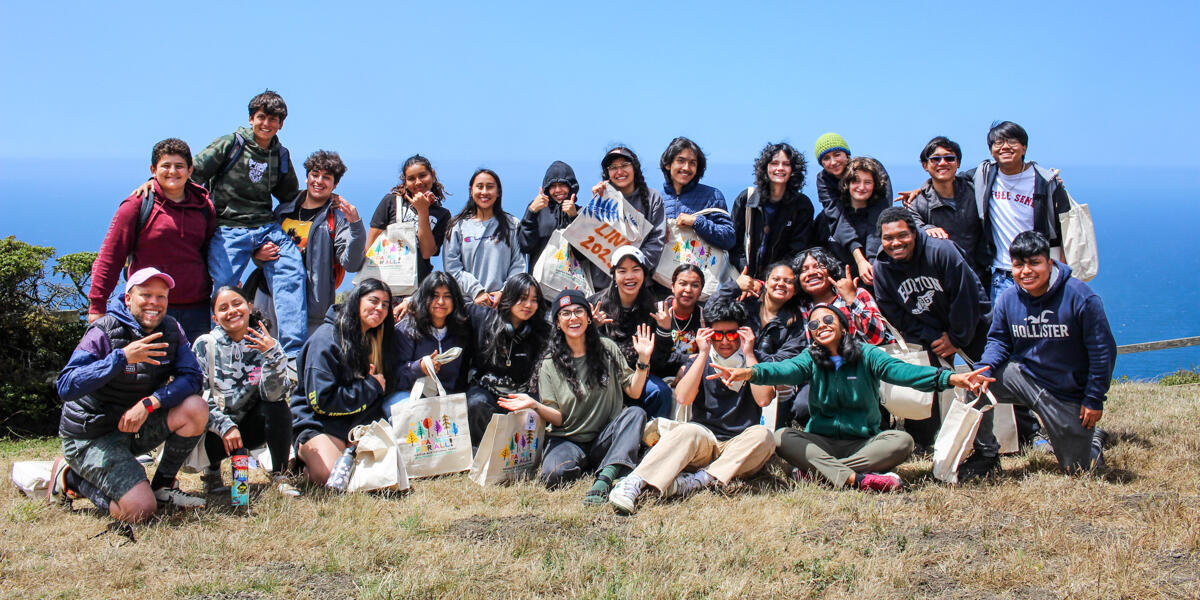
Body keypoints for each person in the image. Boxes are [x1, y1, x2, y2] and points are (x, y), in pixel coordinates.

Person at [711, 305, 993, 492]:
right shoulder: (810, 358)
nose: (820, 325)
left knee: (903, 441)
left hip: (865, 443)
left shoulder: (867, 354)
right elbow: (782, 369)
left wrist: (950, 378)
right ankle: (856, 480)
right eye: (814, 324)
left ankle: (821, 473)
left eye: (827, 319)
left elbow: (904, 372)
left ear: (843, 326)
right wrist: (748, 372)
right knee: (784, 436)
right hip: (822, 441)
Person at [48, 268, 208, 522]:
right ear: (128, 299)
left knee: (195, 407)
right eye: (146, 295)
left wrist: (151, 402)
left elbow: (192, 378)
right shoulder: (104, 330)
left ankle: (162, 487)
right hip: (91, 435)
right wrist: (121, 358)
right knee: (139, 510)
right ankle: (70, 477)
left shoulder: (170, 330)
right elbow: (66, 385)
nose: (154, 303)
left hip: (134, 424)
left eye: (161, 296)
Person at [608, 300, 776, 514]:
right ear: (708, 335)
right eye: (717, 335)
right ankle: (634, 482)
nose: (724, 341)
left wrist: (750, 354)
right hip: (705, 440)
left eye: (732, 334)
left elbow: (763, 400)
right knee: (687, 430)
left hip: (740, 445)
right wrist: (703, 353)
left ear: (743, 334)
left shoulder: (757, 361)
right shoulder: (701, 361)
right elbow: (683, 397)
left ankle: (699, 480)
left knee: (764, 437)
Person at [872, 208, 1001, 480]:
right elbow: (893, 311)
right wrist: (933, 337)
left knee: (980, 383)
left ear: (915, 233)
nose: (895, 243)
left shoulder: (943, 251)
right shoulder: (882, 267)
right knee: (925, 383)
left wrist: (955, 338)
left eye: (902, 235)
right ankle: (926, 440)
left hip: (971, 326)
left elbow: (967, 297)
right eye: (888, 238)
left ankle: (987, 451)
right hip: (928, 332)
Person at [978, 231, 1116, 474]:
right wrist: (985, 368)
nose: (1026, 271)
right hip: (1025, 378)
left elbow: (1102, 352)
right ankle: (985, 455)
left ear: (1049, 263)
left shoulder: (1081, 298)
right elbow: (999, 340)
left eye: (1034, 263)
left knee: (1081, 470)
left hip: (1065, 393)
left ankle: (1093, 441)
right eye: (1018, 265)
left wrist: (1094, 398)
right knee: (976, 385)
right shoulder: (1009, 299)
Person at [501, 290, 652, 504]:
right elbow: (558, 418)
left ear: (589, 318)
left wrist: (643, 360)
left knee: (636, 414)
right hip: (568, 439)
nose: (573, 318)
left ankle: (605, 478)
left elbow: (634, 392)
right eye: (566, 314)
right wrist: (535, 405)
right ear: (558, 322)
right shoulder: (549, 364)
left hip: (604, 437)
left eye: (579, 311)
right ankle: (604, 464)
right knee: (553, 475)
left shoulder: (607, 348)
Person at [187, 90, 307, 357]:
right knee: (223, 288)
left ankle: (292, 355)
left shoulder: (281, 154)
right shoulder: (231, 144)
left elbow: (289, 196)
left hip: (265, 227)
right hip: (228, 226)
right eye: (262, 117)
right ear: (251, 118)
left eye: (273, 119)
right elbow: (193, 173)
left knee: (292, 273)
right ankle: (218, 352)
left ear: (281, 124)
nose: (267, 124)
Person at [91, 138, 215, 342]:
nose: (173, 172)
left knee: (196, 373)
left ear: (190, 170)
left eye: (179, 166)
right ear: (153, 169)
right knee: (147, 372)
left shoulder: (203, 206)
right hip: (149, 309)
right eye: (165, 166)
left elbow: (211, 251)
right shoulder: (136, 205)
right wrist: (97, 306)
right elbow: (110, 256)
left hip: (197, 310)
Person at [290, 278, 397, 486]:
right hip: (319, 423)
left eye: (385, 305)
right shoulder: (325, 340)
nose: (379, 308)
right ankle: (300, 456)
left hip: (355, 424)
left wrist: (362, 426)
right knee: (330, 475)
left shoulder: (375, 340)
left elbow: (380, 393)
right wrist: (370, 386)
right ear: (357, 300)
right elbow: (321, 401)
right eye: (373, 301)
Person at [192, 286, 296, 496]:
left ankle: (280, 474)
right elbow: (198, 396)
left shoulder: (267, 342)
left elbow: (274, 394)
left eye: (237, 304)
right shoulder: (205, 344)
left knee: (278, 407)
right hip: (214, 430)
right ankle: (211, 472)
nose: (232, 311)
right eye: (223, 308)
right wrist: (226, 427)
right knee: (202, 411)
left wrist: (272, 355)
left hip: (250, 427)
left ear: (249, 307)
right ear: (215, 317)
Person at [255, 150, 366, 334]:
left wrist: (355, 224)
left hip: (311, 308)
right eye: (314, 175)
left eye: (327, 177)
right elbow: (259, 246)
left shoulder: (337, 219)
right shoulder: (283, 211)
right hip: (269, 297)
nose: (319, 181)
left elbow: (351, 263)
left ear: (335, 184)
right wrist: (258, 255)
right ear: (306, 178)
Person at [709, 260, 808, 426]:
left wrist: (749, 352)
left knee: (783, 386)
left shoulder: (796, 322)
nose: (781, 284)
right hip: (730, 367)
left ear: (795, 290)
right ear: (766, 282)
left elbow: (784, 361)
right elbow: (711, 313)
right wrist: (734, 287)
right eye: (776, 279)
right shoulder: (746, 303)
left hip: (766, 380)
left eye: (788, 281)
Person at [464, 274, 549, 447]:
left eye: (534, 300)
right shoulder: (484, 319)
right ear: (509, 297)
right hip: (488, 395)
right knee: (476, 403)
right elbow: (451, 307)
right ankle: (482, 451)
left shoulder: (543, 332)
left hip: (523, 398)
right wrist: (409, 301)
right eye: (523, 298)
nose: (528, 305)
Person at [590, 246, 673, 418]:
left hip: (638, 376)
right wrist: (592, 327)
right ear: (613, 275)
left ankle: (654, 438)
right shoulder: (596, 304)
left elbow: (659, 361)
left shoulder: (653, 308)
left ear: (644, 274)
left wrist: (665, 330)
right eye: (622, 271)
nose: (629, 277)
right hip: (602, 377)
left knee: (661, 392)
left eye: (636, 270)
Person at [387, 272, 472, 422]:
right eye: (434, 295)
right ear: (424, 298)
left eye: (447, 296)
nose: (441, 301)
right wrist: (419, 367)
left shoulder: (461, 331)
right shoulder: (406, 328)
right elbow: (392, 377)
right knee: (411, 416)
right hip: (407, 394)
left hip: (445, 396)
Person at [729, 142, 820, 279]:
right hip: (745, 281)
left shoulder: (802, 205)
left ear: (793, 169)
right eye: (774, 163)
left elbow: (798, 251)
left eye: (786, 164)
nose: (780, 168)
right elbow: (733, 244)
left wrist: (773, 278)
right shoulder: (747, 198)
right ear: (765, 167)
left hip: (781, 284)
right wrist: (746, 273)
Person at [585, 147, 667, 289]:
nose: (619, 171)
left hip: (638, 285)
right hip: (603, 287)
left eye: (624, 165)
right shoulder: (602, 197)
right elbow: (588, 240)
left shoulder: (652, 197)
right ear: (607, 173)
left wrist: (631, 270)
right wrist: (595, 203)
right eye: (613, 167)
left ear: (634, 167)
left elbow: (656, 241)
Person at [812, 134, 894, 276]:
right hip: (846, 237)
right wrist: (860, 259)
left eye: (837, 155)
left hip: (873, 228)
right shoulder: (823, 180)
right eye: (826, 158)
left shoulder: (870, 168)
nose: (833, 162)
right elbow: (837, 218)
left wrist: (872, 260)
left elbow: (879, 214)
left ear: (847, 154)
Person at [443, 169, 526, 306]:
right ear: (471, 190)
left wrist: (503, 292)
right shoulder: (457, 226)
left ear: (498, 192)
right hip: (468, 306)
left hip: (503, 305)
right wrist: (477, 292)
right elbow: (452, 269)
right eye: (479, 186)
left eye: (490, 187)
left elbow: (519, 264)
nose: (484, 192)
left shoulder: (512, 224)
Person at [906, 136, 985, 278]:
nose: (942, 163)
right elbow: (911, 229)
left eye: (949, 158)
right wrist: (927, 229)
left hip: (978, 278)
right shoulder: (916, 203)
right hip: (939, 282)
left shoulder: (976, 192)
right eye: (935, 159)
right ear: (925, 165)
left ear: (958, 163)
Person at [367, 154, 454, 284]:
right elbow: (370, 245)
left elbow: (427, 253)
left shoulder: (442, 214)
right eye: (411, 178)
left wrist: (423, 210)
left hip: (417, 285)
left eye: (423, 175)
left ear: (433, 175)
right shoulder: (391, 202)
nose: (418, 182)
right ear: (405, 181)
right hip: (385, 282)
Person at [658, 136, 735, 250]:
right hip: (662, 267)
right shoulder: (656, 200)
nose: (686, 167)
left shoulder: (712, 196)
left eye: (692, 163)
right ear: (668, 164)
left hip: (702, 267)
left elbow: (729, 239)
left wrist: (696, 222)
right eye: (681, 161)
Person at [830, 157, 890, 287]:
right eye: (856, 181)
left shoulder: (884, 219)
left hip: (876, 287)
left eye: (867, 182)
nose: (861, 187)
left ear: (875, 185)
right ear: (847, 183)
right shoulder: (829, 218)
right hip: (838, 290)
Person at [649, 265, 705, 383]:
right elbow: (656, 359)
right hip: (656, 378)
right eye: (683, 283)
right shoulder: (655, 311)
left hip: (691, 378)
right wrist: (689, 359)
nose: (688, 290)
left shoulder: (704, 318)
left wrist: (688, 365)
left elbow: (707, 356)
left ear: (701, 291)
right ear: (673, 286)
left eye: (695, 285)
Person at [518, 160, 580, 265]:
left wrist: (574, 217)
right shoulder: (537, 210)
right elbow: (525, 246)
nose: (557, 190)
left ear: (572, 187)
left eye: (562, 184)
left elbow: (582, 255)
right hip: (539, 279)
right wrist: (531, 212)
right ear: (546, 189)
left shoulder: (581, 213)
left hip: (572, 279)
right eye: (552, 186)